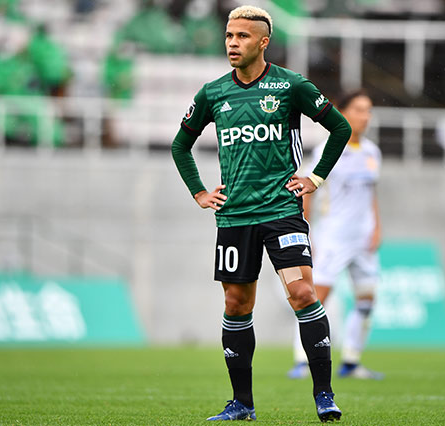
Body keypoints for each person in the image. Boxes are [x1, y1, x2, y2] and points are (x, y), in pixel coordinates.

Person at [171, 5, 351, 422]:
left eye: (243, 36)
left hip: (281, 211)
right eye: (229, 36)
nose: (233, 43)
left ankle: (324, 394)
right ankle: (242, 403)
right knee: (236, 304)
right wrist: (199, 192)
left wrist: (316, 177)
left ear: (264, 42)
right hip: (235, 217)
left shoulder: (290, 85)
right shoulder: (213, 93)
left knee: (303, 293)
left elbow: (340, 128)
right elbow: (180, 145)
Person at [287, 89, 384, 381]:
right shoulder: (327, 150)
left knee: (366, 301)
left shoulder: (372, 152)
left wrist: (377, 227)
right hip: (333, 237)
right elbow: (307, 192)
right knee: (316, 299)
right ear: (342, 112)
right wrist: (305, 231)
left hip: (363, 239)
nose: (365, 116)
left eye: (369, 110)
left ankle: (352, 361)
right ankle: (302, 360)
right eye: (359, 110)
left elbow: (370, 193)